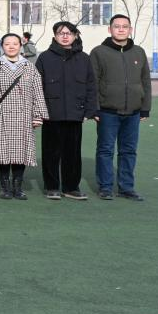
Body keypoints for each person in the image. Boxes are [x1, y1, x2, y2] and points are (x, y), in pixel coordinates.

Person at [90, 13, 151, 201]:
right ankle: (105, 187)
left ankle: (126, 187)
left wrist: (145, 107)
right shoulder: (99, 52)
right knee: (105, 150)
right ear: (110, 29)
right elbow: (93, 82)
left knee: (129, 151)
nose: (121, 29)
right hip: (107, 111)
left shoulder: (139, 52)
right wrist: (95, 108)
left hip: (133, 112)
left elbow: (145, 81)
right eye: (117, 26)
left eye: (125, 26)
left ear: (130, 29)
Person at [0, 33, 48, 199]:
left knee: (20, 152)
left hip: (24, 115)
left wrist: (38, 114)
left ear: (20, 46)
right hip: (1, 114)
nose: (11, 47)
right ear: (2, 46)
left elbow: (38, 92)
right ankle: (5, 187)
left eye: (15, 44)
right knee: (1, 151)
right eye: (7, 44)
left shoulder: (30, 67)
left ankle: (17, 187)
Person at [36, 21, 97, 200]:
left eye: (69, 33)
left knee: (73, 153)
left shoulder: (84, 58)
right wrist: (39, 111)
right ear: (55, 36)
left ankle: (71, 187)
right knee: (51, 152)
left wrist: (89, 111)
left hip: (75, 113)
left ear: (75, 35)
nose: (65, 36)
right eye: (60, 33)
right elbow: (37, 87)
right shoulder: (44, 58)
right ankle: (52, 187)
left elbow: (91, 86)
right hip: (51, 113)